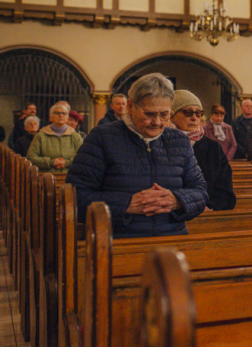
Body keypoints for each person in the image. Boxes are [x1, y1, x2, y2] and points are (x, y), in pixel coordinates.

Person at [66, 73, 207, 238]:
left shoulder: (179, 140)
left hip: (172, 237)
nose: (158, 122)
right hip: (116, 240)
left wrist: (176, 200)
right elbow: (75, 197)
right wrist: (126, 204)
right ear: (131, 107)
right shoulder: (102, 138)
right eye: (149, 114)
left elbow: (200, 191)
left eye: (164, 114)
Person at [170, 90, 235, 211]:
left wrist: (209, 206)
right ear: (172, 116)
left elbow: (226, 193)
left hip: (207, 215)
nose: (194, 118)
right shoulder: (162, 145)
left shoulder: (213, 148)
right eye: (187, 112)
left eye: (198, 113)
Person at [27, 101, 83, 172]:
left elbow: (83, 157)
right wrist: (51, 162)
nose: (61, 116)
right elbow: (31, 157)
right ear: (51, 117)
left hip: (70, 177)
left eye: (64, 113)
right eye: (57, 113)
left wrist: (67, 162)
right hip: (46, 177)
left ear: (67, 117)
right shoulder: (41, 136)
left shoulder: (75, 136)